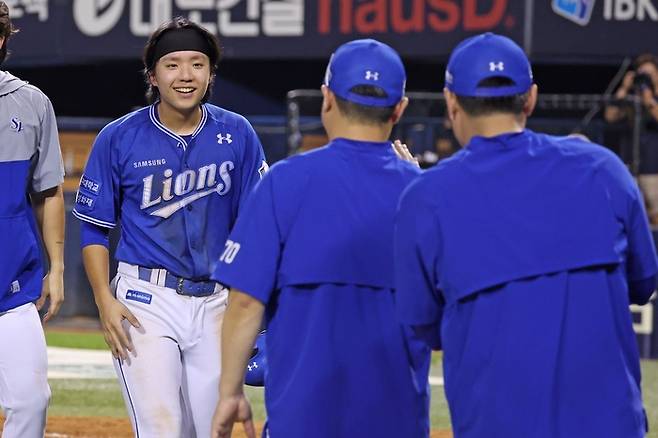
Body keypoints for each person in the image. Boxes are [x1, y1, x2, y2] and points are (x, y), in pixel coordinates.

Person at [394, 32, 658, 438]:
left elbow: (424, 326)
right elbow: (643, 283)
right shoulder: (603, 169)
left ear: (451, 103)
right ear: (530, 99)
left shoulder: (426, 197)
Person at [210, 39, 427, 438]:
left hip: (303, 414)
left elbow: (243, 301)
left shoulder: (284, 182)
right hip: (396, 417)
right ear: (400, 109)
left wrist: (229, 390)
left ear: (327, 99)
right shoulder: (424, 196)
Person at [73, 17, 267, 438]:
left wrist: (259, 308)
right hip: (146, 301)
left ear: (211, 73)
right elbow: (93, 230)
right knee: (162, 428)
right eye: (172, 64)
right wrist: (104, 300)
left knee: (211, 429)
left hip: (218, 302)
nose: (185, 75)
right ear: (153, 75)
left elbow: (258, 227)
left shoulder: (237, 134)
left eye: (197, 64)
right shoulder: (119, 137)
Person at [0, 2, 65, 437]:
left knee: (31, 399)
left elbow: (50, 192)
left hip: (11, 286)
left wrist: (57, 268)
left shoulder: (31, 101)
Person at [604, 54, 658, 223]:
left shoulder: (653, 100)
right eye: (642, 74)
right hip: (629, 165)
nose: (645, 78)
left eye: (649, 74)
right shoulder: (630, 99)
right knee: (630, 216)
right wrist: (624, 88)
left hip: (653, 168)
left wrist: (649, 100)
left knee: (655, 215)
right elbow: (610, 116)